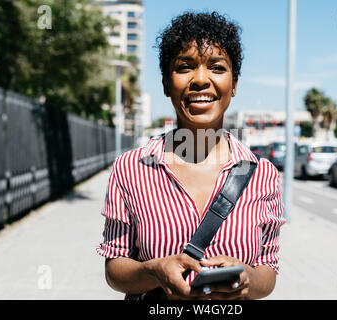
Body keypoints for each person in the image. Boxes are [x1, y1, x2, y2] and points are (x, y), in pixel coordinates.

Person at [96, 11, 285, 300]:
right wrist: (154, 270)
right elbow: (114, 269)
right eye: (185, 67)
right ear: (165, 83)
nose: (200, 79)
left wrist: (246, 279)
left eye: (217, 68)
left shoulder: (263, 175)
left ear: (234, 85)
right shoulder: (131, 168)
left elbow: (267, 272)